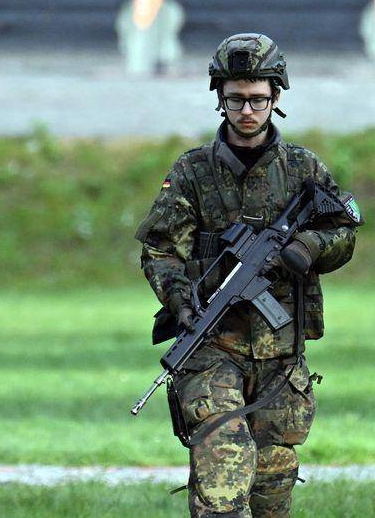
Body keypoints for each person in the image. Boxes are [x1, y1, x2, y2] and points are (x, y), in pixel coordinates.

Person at [135, 33, 359, 517]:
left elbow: (346, 230)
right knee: (222, 474)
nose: (247, 110)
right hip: (213, 345)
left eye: (258, 99)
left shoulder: (303, 168)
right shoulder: (193, 172)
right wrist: (180, 298)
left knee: (273, 486)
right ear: (220, 98)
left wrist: (309, 246)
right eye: (236, 99)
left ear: (276, 97)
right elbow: (159, 249)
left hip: (281, 354)